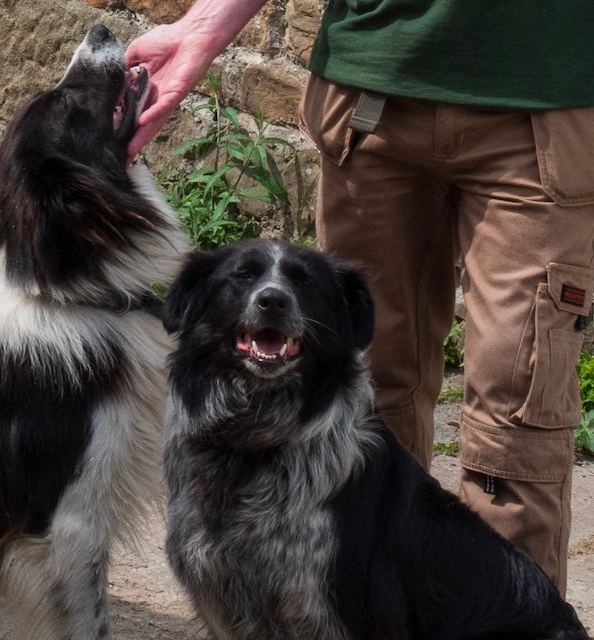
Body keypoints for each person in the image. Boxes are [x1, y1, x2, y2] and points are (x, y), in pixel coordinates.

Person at [126, 0, 594, 596]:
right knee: (363, 393)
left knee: (517, 418)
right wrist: (200, 27)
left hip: (546, 110)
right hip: (373, 98)